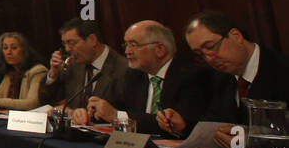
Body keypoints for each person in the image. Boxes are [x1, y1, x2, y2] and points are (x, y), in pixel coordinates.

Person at [73, 20, 211, 136]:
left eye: (133, 45)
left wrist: (117, 116)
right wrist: (90, 113)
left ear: (160, 49)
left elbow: (178, 124)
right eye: (125, 45)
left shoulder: (191, 76)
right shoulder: (135, 75)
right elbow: (117, 108)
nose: (127, 51)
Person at [185, 10, 289, 148]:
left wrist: (255, 141)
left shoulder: (281, 69)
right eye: (200, 54)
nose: (209, 59)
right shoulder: (220, 77)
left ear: (236, 36)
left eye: (210, 47)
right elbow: (215, 122)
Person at [41, 18, 128, 108]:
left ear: (92, 40)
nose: (67, 49)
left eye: (71, 43)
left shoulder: (124, 68)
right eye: (64, 44)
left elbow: (131, 114)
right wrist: (53, 74)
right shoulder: (73, 65)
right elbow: (46, 100)